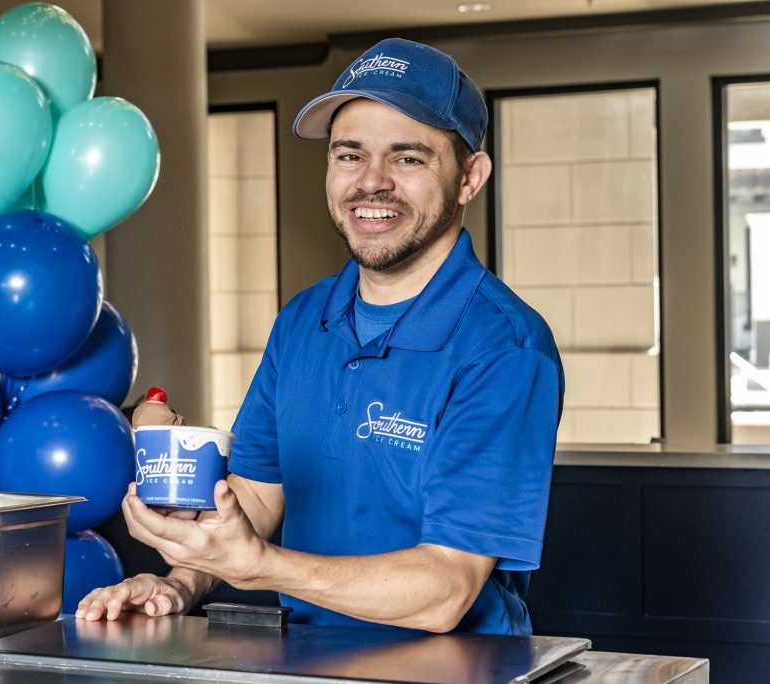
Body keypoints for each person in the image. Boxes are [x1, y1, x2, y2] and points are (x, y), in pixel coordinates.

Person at [77, 37, 564, 635]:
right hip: (308, 662)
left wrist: (261, 567)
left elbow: (447, 589)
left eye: (408, 158)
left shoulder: (505, 347)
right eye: (349, 155)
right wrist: (177, 583)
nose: (372, 182)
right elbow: (254, 500)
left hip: (456, 671)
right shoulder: (304, 321)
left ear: (470, 177)